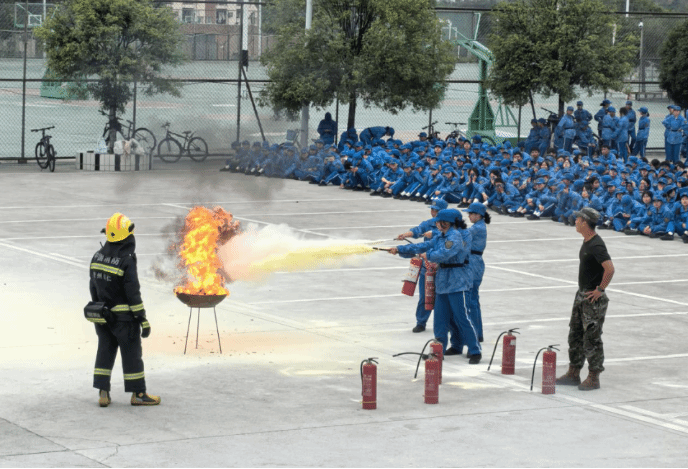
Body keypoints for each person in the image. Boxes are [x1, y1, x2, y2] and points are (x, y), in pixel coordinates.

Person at [390, 209, 482, 364]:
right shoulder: (441, 236)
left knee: (462, 317)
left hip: (458, 281)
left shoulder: (455, 236)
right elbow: (423, 246)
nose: (436, 223)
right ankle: (439, 350)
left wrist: (428, 255)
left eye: (439, 221)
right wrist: (400, 249)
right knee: (440, 318)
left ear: (447, 223)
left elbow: (445, 253)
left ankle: (475, 350)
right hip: (443, 280)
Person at [90, 213, 160, 407]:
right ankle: (138, 394)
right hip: (124, 320)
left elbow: (93, 287)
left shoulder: (97, 256)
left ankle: (103, 393)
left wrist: (100, 309)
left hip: (103, 316)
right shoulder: (126, 259)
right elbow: (133, 293)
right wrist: (142, 318)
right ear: (127, 236)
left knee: (105, 351)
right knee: (132, 355)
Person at [556, 207, 614, 391]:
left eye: (578, 219)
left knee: (592, 338)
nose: (575, 222)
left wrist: (600, 289)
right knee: (575, 335)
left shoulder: (596, 245)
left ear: (585, 222)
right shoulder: (587, 241)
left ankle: (593, 377)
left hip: (592, 299)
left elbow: (610, 269)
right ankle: (573, 373)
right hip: (581, 295)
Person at [395, 199, 448, 333]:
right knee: (425, 296)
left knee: (443, 297)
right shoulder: (429, 223)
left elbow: (449, 236)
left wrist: (434, 233)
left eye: (435, 210)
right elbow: (418, 230)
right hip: (427, 265)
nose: (433, 212)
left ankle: (446, 323)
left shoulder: (449, 226)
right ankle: (421, 322)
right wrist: (407, 234)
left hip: (443, 268)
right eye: (432, 209)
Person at [464, 202, 490, 343]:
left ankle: (475, 333)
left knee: (471, 300)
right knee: (473, 299)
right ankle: (477, 333)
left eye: (471, 213)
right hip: (475, 262)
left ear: (478, 215)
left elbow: (461, 236)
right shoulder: (478, 226)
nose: (469, 216)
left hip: (473, 263)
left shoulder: (477, 228)